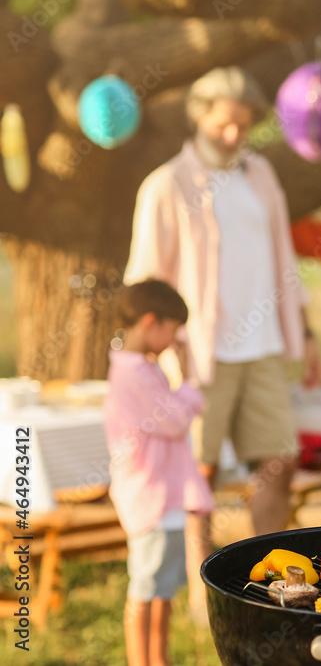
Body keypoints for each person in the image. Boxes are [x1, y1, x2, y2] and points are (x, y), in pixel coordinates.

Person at [124, 66, 321, 620]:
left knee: (278, 460)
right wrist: (159, 357)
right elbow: (146, 281)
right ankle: (201, 592)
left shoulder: (261, 175)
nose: (234, 135)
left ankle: (279, 586)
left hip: (262, 346)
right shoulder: (166, 184)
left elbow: (286, 258)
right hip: (198, 355)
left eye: (244, 126)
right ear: (198, 116)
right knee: (198, 472)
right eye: (224, 124)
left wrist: (305, 333)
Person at [103, 280, 214, 666]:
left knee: (162, 589)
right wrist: (187, 378)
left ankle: (158, 658)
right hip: (150, 496)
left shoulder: (142, 368)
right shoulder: (135, 374)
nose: (174, 339)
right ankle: (140, 660)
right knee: (145, 588)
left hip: (163, 495)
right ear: (152, 322)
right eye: (173, 330)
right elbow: (177, 420)